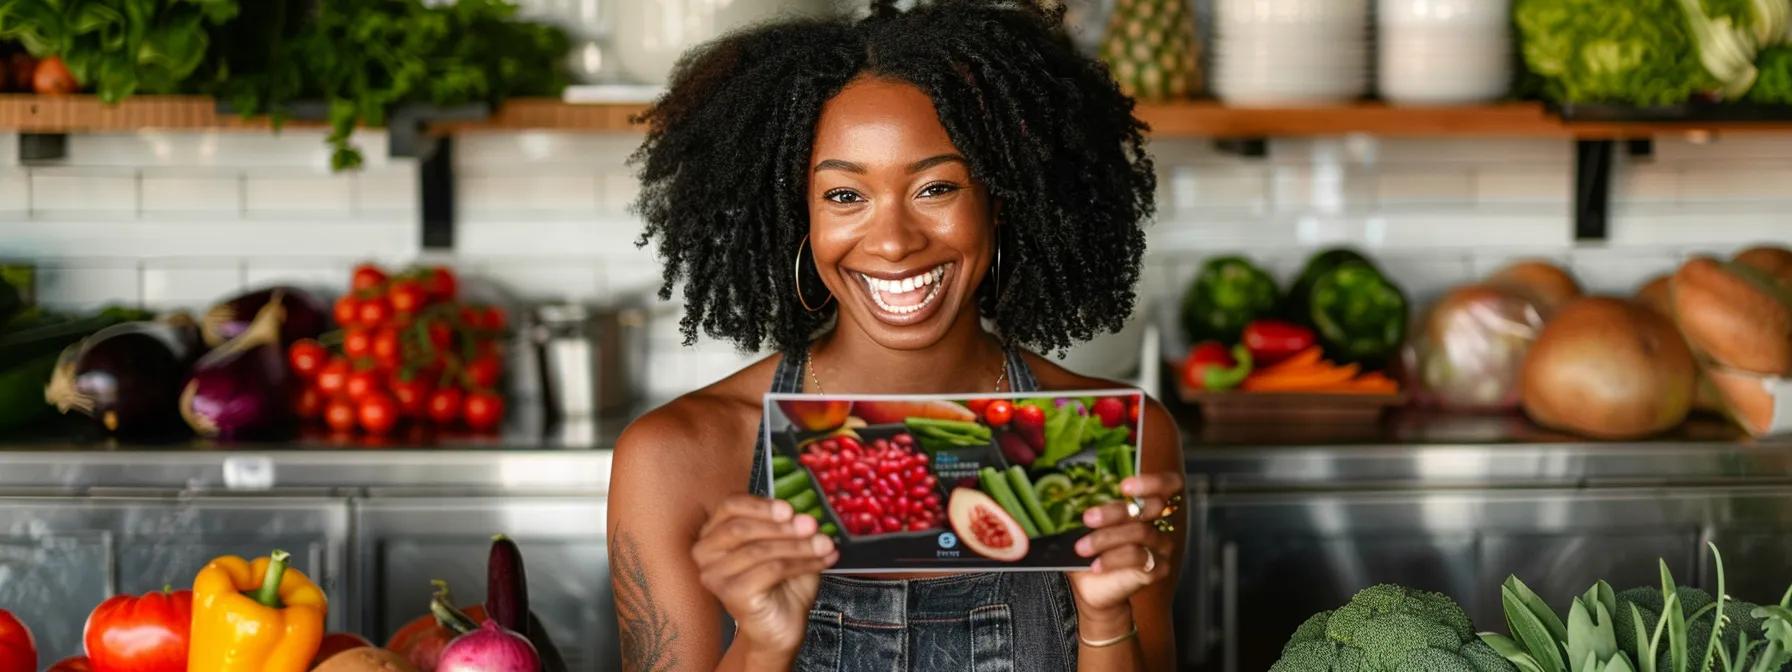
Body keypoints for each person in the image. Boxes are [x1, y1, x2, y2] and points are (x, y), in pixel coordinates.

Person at [606, 1, 1184, 670]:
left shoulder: (1125, 444)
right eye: (845, 196)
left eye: (935, 187)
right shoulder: (674, 458)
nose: (893, 241)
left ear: (1000, 199)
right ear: (800, 215)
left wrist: (1105, 616)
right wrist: (762, 642)